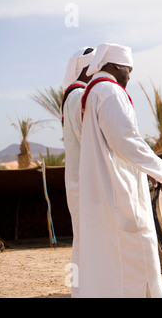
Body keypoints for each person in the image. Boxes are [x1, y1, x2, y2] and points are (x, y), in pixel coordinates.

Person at [78, 43, 162, 297]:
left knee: (114, 256)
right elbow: (125, 140)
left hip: (108, 185)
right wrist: (161, 169)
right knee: (136, 248)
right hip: (118, 188)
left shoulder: (94, 92)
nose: (130, 76)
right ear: (115, 66)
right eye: (129, 70)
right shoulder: (110, 92)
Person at [60, 46, 95, 298]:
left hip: (83, 179)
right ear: (85, 68)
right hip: (87, 180)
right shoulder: (78, 96)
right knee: (90, 237)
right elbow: (92, 139)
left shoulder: (76, 95)